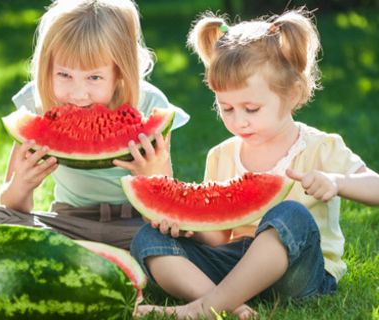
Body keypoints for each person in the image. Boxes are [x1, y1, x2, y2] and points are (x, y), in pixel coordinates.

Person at [130, 9, 379, 319]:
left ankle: (201, 308)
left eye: (251, 108)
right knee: (146, 239)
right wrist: (186, 225)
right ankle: (229, 305)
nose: (239, 121)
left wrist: (338, 182)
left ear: (293, 94)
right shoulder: (221, 154)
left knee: (291, 215)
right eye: (227, 108)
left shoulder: (321, 147)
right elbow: (218, 237)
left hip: (299, 273)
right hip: (233, 265)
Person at [0, 0, 189, 250]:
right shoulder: (36, 101)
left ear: (120, 72)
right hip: (67, 223)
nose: (78, 94)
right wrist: (21, 185)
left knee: (167, 240)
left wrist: (151, 177)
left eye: (94, 77)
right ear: (46, 68)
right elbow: (12, 206)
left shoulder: (151, 105)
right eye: (64, 75)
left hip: (135, 227)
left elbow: (161, 214)